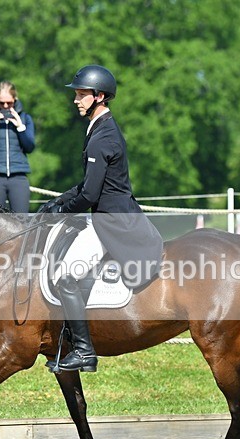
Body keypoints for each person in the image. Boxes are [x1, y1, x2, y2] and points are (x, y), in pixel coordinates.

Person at [38, 65, 164, 372]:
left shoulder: (101, 137)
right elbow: (87, 186)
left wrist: (61, 212)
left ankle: (83, 350)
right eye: (78, 94)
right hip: (110, 215)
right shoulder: (100, 128)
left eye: (81, 94)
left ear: (100, 96)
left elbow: (90, 196)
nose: (76, 100)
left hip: (112, 222)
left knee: (65, 276)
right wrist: (58, 201)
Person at [0, 81, 35, 213]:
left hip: (18, 176)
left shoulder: (26, 119)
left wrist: (20, 127)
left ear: (15, 100)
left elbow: (30, 147)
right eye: (1, 103)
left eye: (9, 103)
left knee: (21, 222)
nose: (5, 106)